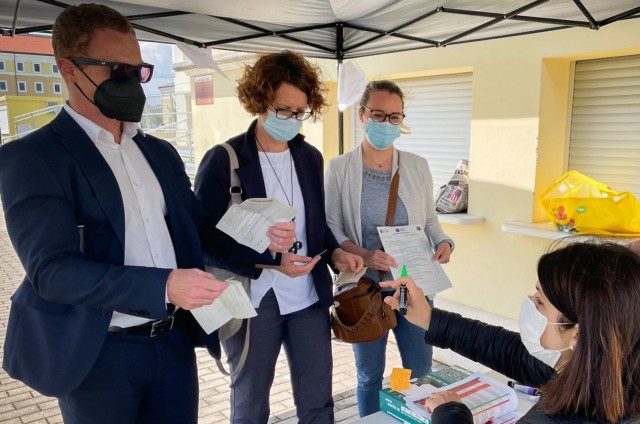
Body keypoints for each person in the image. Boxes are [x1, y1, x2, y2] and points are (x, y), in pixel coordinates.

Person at [0, 4, 235, 423]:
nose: (131, 82)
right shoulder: (33, 158)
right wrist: (164, 285)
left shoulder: (159, 152)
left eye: (138, 70)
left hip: (173, 344)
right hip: (97, 354)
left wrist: (269, 255)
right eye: (116, 70)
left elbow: (198, 229)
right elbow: (52, 271)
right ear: (68, 68)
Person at [194, 50, 363, 424]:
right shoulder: (225, 159)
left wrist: (336, 255)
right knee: (252, 400)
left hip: (307, 298)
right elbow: (203, 236)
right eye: (283, 109)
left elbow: (315, 227)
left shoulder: (309, 158)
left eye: (300, 112)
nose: (292, 119)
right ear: (260, 101)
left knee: (318, 399)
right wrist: (271, 259)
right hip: (254, 299)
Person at [382, 241, 640, 423]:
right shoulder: (608, 370)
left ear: (578, 335)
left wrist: (450, 412)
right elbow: (507, 351)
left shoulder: (562, 416)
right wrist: (428, 317)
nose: (530, 300)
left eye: (540, 301)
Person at [324, 79, 454, 417]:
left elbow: (429, 221)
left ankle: (406, 416)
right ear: (362, 114)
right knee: (369, 375)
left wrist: (444, 241)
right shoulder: (339, 169)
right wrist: (365, 255)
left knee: (416, 372)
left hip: (413, 288)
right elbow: (332, 228)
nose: (386, 124)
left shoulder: (417, 166)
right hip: (366, 291)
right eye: (378, 115)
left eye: (395, 117)